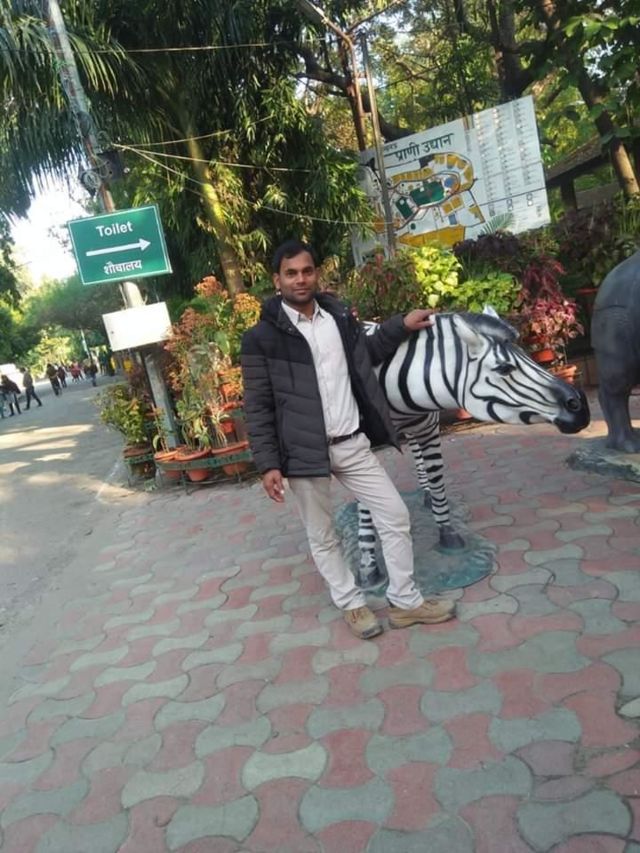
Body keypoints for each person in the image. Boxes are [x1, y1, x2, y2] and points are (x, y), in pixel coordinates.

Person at [241, 239, 456, 640]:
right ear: (277, 280)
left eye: (307, 271)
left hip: (352, 443)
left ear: (316, 274)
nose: (300, 279)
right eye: (291, 273)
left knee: (395, 515)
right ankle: (352, 604)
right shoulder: (261, 339)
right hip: (303, 453)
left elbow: (366, 353)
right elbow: (257, 404)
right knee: (323, 535)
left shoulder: (338, 318)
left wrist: (400, 325)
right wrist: (267, 463)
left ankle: (405, 602)